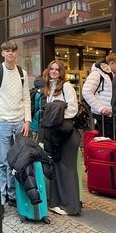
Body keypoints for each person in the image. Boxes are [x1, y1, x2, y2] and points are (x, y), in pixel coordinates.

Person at [0, 41, 31, 208]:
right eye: (7, 51)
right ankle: (0, 197)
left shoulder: (22, 73)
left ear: (16, 53)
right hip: (3, 121)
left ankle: (12, 194)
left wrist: (27, 120)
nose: (10, 53)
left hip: (19, 122)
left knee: (16, 161)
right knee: (2, 161)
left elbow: (26, 97)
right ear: (2, 53)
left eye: (13, 51)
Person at [43, 60, 80, 216]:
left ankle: (70, 206)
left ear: (61, 72)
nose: (54, 71)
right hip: (56, 134)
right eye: (52, 69)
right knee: (57, 167)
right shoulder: (49, 88)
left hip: (67, 133)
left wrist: (55, 117)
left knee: (67, 169)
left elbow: (73, 108)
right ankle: (57, 203)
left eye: (57, 69)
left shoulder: (66, 86)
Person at [82, 54, 116, 138]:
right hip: (104, 116)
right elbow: (86, 91)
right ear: (112, 63)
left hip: (111, 115)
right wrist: (101, 108)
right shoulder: (97, 74)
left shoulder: (111, 74)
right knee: (107, 143)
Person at [29, 76, 46, 141]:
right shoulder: (41, 94)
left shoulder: (31, 92)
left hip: (30, 124)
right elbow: (41, 110)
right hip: (37, 126)